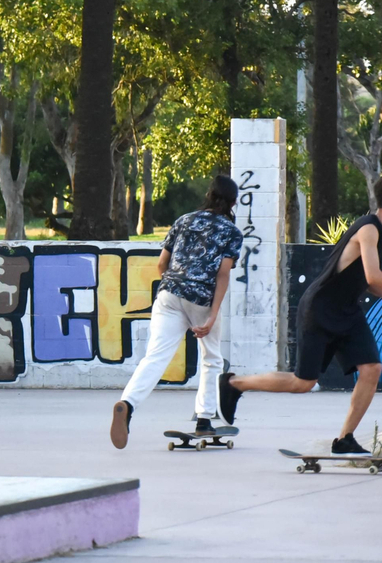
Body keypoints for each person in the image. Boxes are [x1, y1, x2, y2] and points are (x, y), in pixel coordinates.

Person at [221, 176, 382, 455]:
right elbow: (374, 278)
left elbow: (371, 284)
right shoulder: (369, 229)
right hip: (320, 309)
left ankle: (345, 438)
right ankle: (234, 383)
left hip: (347, 311)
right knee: (303, 383)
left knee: (371, 369)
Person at [108, 176, 241, 449]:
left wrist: (174, 287)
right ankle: (204, 419)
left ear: (208, 194)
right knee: (211, 358)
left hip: (169, 294)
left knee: (155, 357)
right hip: (201, 299)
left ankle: (128, 404)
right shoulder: (231, 231)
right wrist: (213, 315)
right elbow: (223, 274)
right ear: (233, 202)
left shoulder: (183, 220)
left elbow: (161, 264)